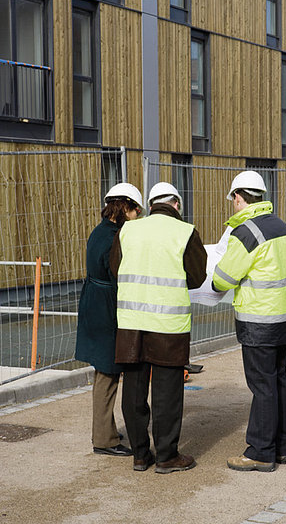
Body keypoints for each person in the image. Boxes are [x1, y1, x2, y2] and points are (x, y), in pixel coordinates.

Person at [110, 182, 207, 473]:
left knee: (134, 388)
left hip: (131, 324)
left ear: (150, 205)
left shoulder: (128, 230)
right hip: (168, 325)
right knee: (167, 391)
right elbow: (198, 276)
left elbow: (115, 269)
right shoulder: (185, 232)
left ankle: (140, 454)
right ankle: (166, 456)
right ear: (176, 204)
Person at [212, 171, 286, 472]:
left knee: (262, 386)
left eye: (232, 199)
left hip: (258, 321)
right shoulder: (281, 226)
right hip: (284, 319)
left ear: (239, 197)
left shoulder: (246, 232)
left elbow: (223, 279)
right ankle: (281, 448)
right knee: (278, 380)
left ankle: (261, 452)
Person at [75, 182, 145, 456]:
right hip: (106, 307)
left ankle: (105, 431)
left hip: (94, 303)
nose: (138, 214)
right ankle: (104, 439)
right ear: (125, 207)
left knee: (104, 371)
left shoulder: (100, 231)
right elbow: (119, 275)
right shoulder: (115, 237)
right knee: (107, 372)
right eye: (136, 209)